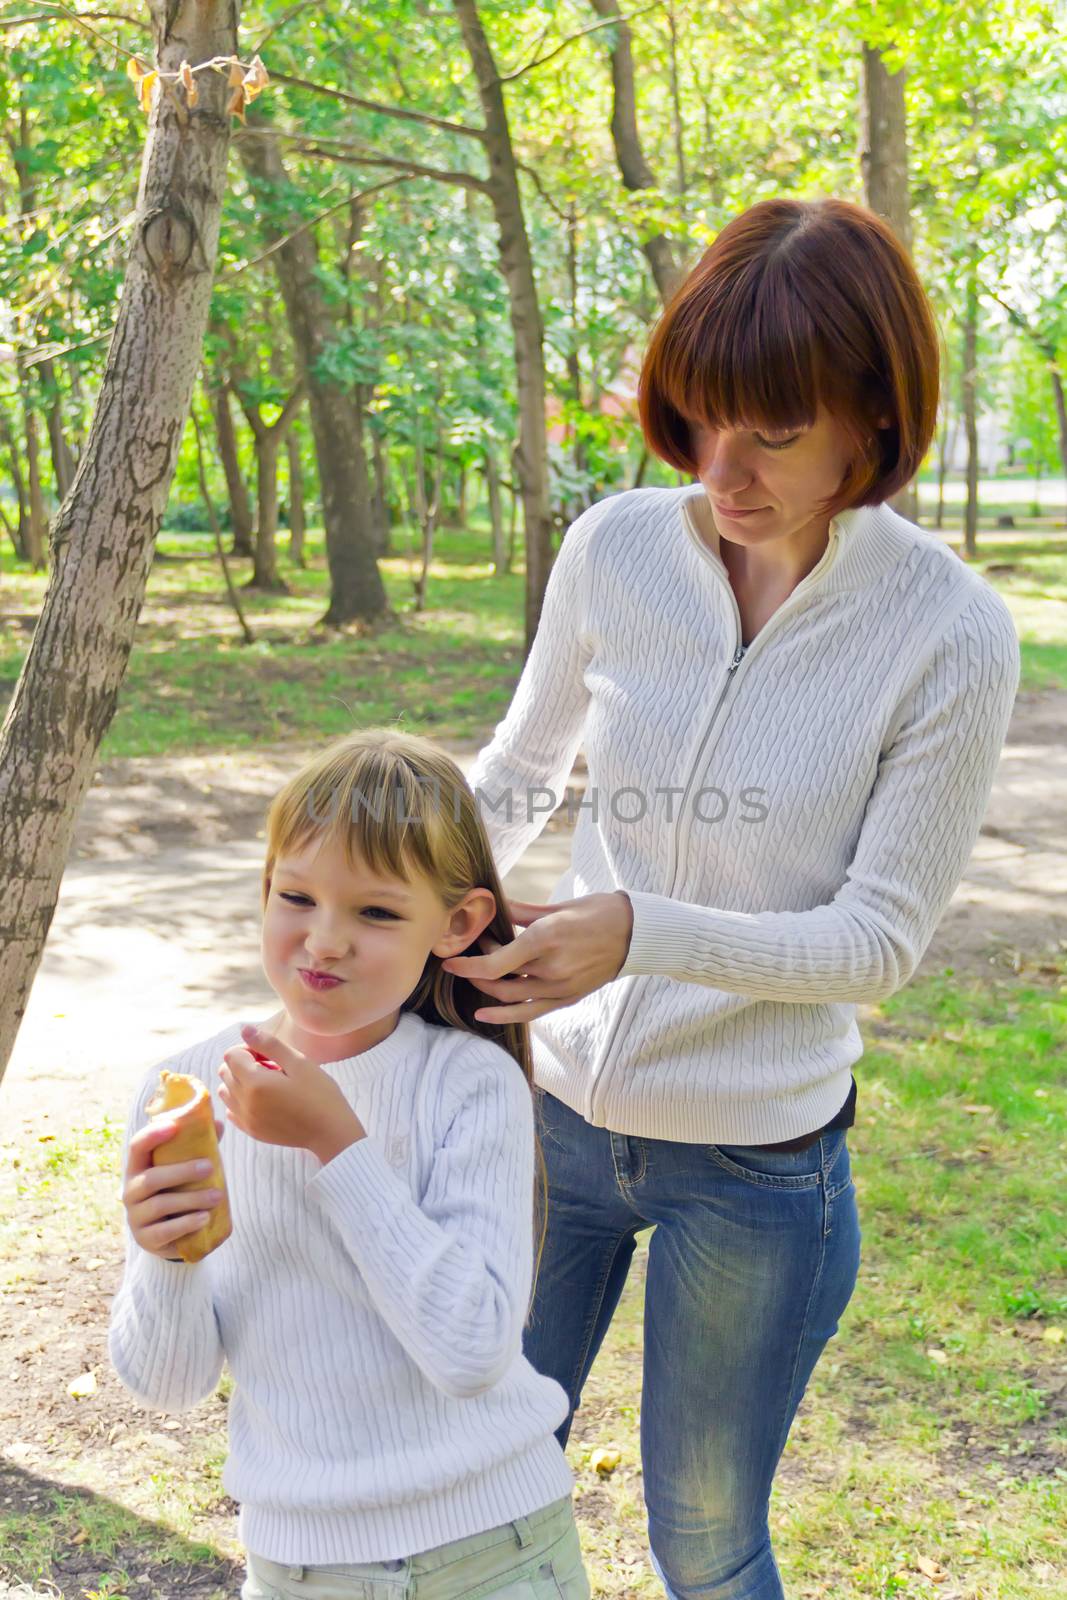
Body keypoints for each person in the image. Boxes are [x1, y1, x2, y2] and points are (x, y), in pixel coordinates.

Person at [443, 198, 1022, 1600]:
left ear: (869, 426)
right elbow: (518, 769)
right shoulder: (615, 549)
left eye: (770, 432)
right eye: (699, 422)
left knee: (701, 1544)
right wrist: (395, 889)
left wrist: (640, 930)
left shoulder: (946, 631)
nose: (721, 473)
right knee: (472, 1498)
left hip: (756, 1172)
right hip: (552, 1127)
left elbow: (876, 943)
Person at [108, 729, 591, 1600]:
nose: (322, 942)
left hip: (494, 1551)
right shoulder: (187, 1089)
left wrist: (337, 1144)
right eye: (296, 896)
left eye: (374, 912)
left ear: (459, 922)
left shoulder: (467, 1081)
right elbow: (169, 1384)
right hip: (300, 1567)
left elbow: (472, 1350)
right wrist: (162, 1252)